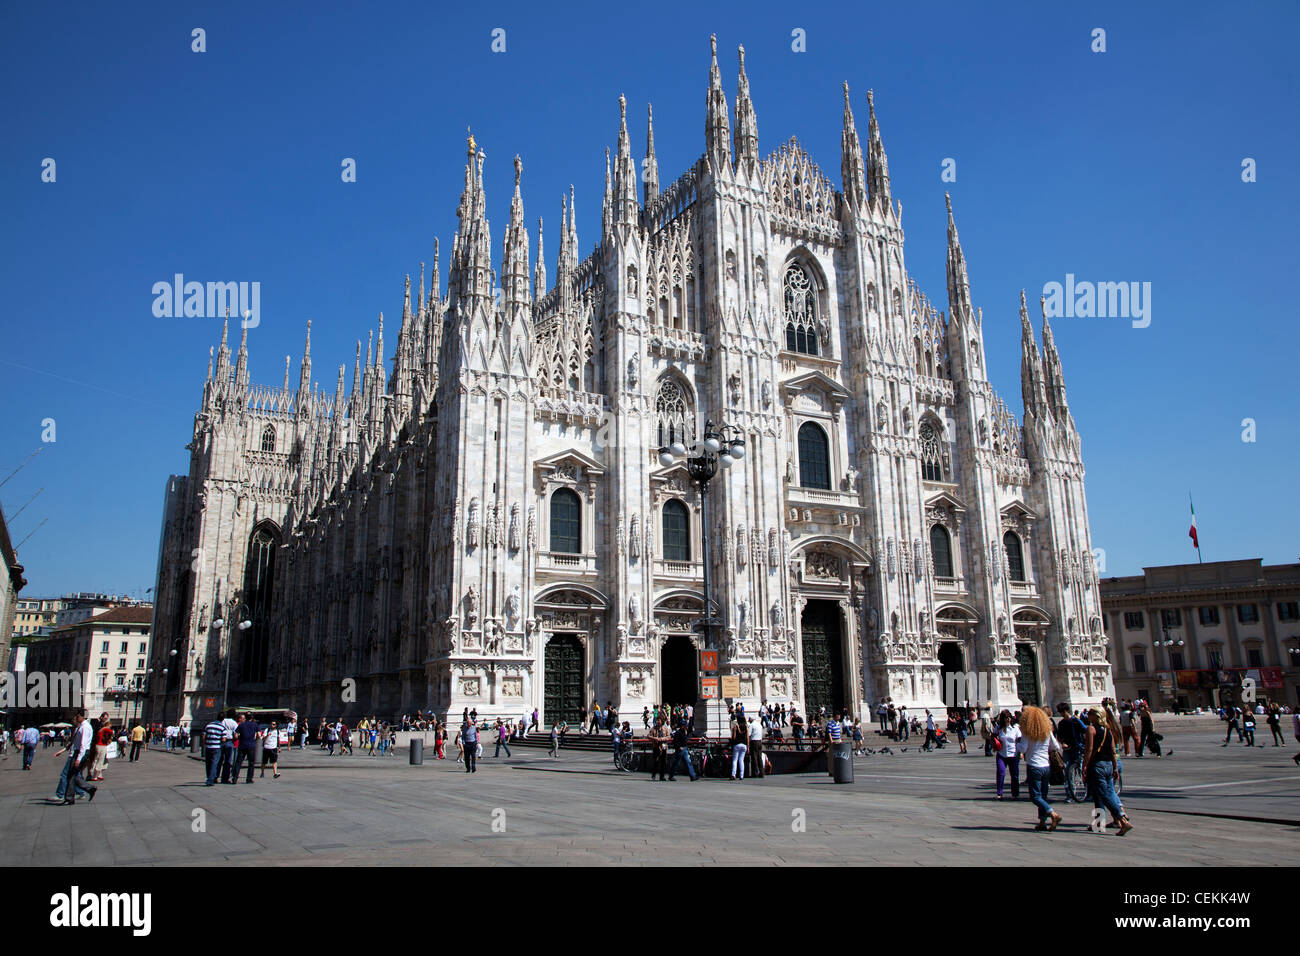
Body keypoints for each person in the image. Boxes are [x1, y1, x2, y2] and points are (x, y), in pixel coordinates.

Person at [1082, 707, 1133, 835]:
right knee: (1101, 794)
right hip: (1108, 765)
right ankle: (1099, 823)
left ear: (1096, 716)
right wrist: (1115, 767)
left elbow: (1089, 750)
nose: (1087, 716)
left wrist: (1084, 766)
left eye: (1090, 714)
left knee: (1103, 794)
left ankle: (1122, 819)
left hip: (1097, 766)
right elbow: (1113, 751)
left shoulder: (1091, 729)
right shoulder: (1108, 730)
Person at [1017, 706, 1063, 831]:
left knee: (1035, 796)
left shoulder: (1028, 733)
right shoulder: (1047, 732)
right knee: (1043, 795)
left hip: (1034, 766)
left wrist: (1019, 742)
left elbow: (1022, 748)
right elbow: (1056, 747)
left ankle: (1052, 813)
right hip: (1046, 766)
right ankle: (1042, 822)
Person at [60, 711, 98, 805]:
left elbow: (83, 744)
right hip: (79, 752)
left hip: (81, 752)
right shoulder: (81, 726)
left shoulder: (85, 727)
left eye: (78, 716)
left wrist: (78, 758)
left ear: (82, 716)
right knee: (72, 775)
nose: (76, 718)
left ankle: (70, 798)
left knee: (71, 775)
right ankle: (89, 789)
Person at [1054, 704, 1086, 803]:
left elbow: (1085, 731)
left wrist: (1084, 744)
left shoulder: (1076, 721)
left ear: (1067, 711)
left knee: (1082, 770)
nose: (1062, 714)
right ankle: (1070, 795)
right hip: (1067, 750)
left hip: (1078, 749)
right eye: (1060, 712)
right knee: (1068, 772)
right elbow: (1058, 737)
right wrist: (1062, 743)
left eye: (1063, 712)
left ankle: (1088, 791)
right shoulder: (1061, 723)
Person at [993, 711, 1021, 800]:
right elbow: (993, 737)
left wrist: (1021, 753)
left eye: (1009, 717)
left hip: (1013, 754)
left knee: (1015, 775)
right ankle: (999, 792)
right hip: (1002, 754)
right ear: (1002, 719)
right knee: (1001, 772)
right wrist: (995, 744)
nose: (1008, 719)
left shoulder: (1015, 728)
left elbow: (1019, 741)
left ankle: (1015, 793)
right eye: (1006, 717)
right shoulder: (998, 728)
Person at [231, 712, 261, 784]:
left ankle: (235, 778)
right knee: (251, 763)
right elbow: (259, 735)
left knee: (239, 762)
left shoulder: (241, 725)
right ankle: (249, 778)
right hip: (251, 745)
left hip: (242, 745)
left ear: (245, 718)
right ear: (252, 717)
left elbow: (236, 736)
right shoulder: (255, 725)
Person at [203, 715, 226, 786]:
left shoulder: (208, 725)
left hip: (208, 746)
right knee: (214, 763)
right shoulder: (222, 727)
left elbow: (203, 736)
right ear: (222, 719)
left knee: (208, 763)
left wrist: (205, 743)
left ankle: (209, 777)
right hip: (216, 747)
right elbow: (223, 739)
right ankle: (211, 779)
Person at [729, 716, 749, 780]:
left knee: (735, 760)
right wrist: (748, 747)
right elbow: (747, 738)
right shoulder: (746, 727)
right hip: (744, 745)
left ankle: (733, 774)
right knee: (741, 760)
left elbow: (734, 737)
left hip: (737, 744)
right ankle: (741, 775)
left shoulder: (736, 727)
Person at [748, 709, 765, 778]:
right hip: (759, 741)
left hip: (754, 741)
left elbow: (749, 734)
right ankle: (762, 772)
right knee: (759, 757)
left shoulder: (751, 725)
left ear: (751, 719)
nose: (749, 720)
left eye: (749, 719)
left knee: (754, 757)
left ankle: (755, 773)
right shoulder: (759, 724)